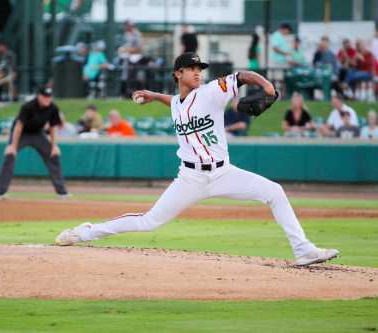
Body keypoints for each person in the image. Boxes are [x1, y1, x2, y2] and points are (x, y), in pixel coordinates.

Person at [55, 52, 339, 267]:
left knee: (274, 192)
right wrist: (153, 95)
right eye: (192, 69)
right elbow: (175, 102)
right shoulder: (178, 103)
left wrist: (268, 87)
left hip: (223, 173)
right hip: (190, 178)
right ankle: (85, 232)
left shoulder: (211, 91)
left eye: (199, 69)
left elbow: (241, 75)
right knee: (149, 221)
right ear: (178, 73)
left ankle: (302, 250)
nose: (198, 73)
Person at [0, 86, 69, 199]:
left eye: (49, 97)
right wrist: (13, 146)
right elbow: (19, 126)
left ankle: (62, 192)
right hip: (21, 134)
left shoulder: (53, 108)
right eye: (44, 97)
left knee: (53, 156)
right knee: (9, 155)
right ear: (39, 96)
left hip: (38, 134)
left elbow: (53, 128)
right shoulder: (28, 106)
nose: (47, 99)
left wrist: (54, 146)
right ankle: (0, 192)